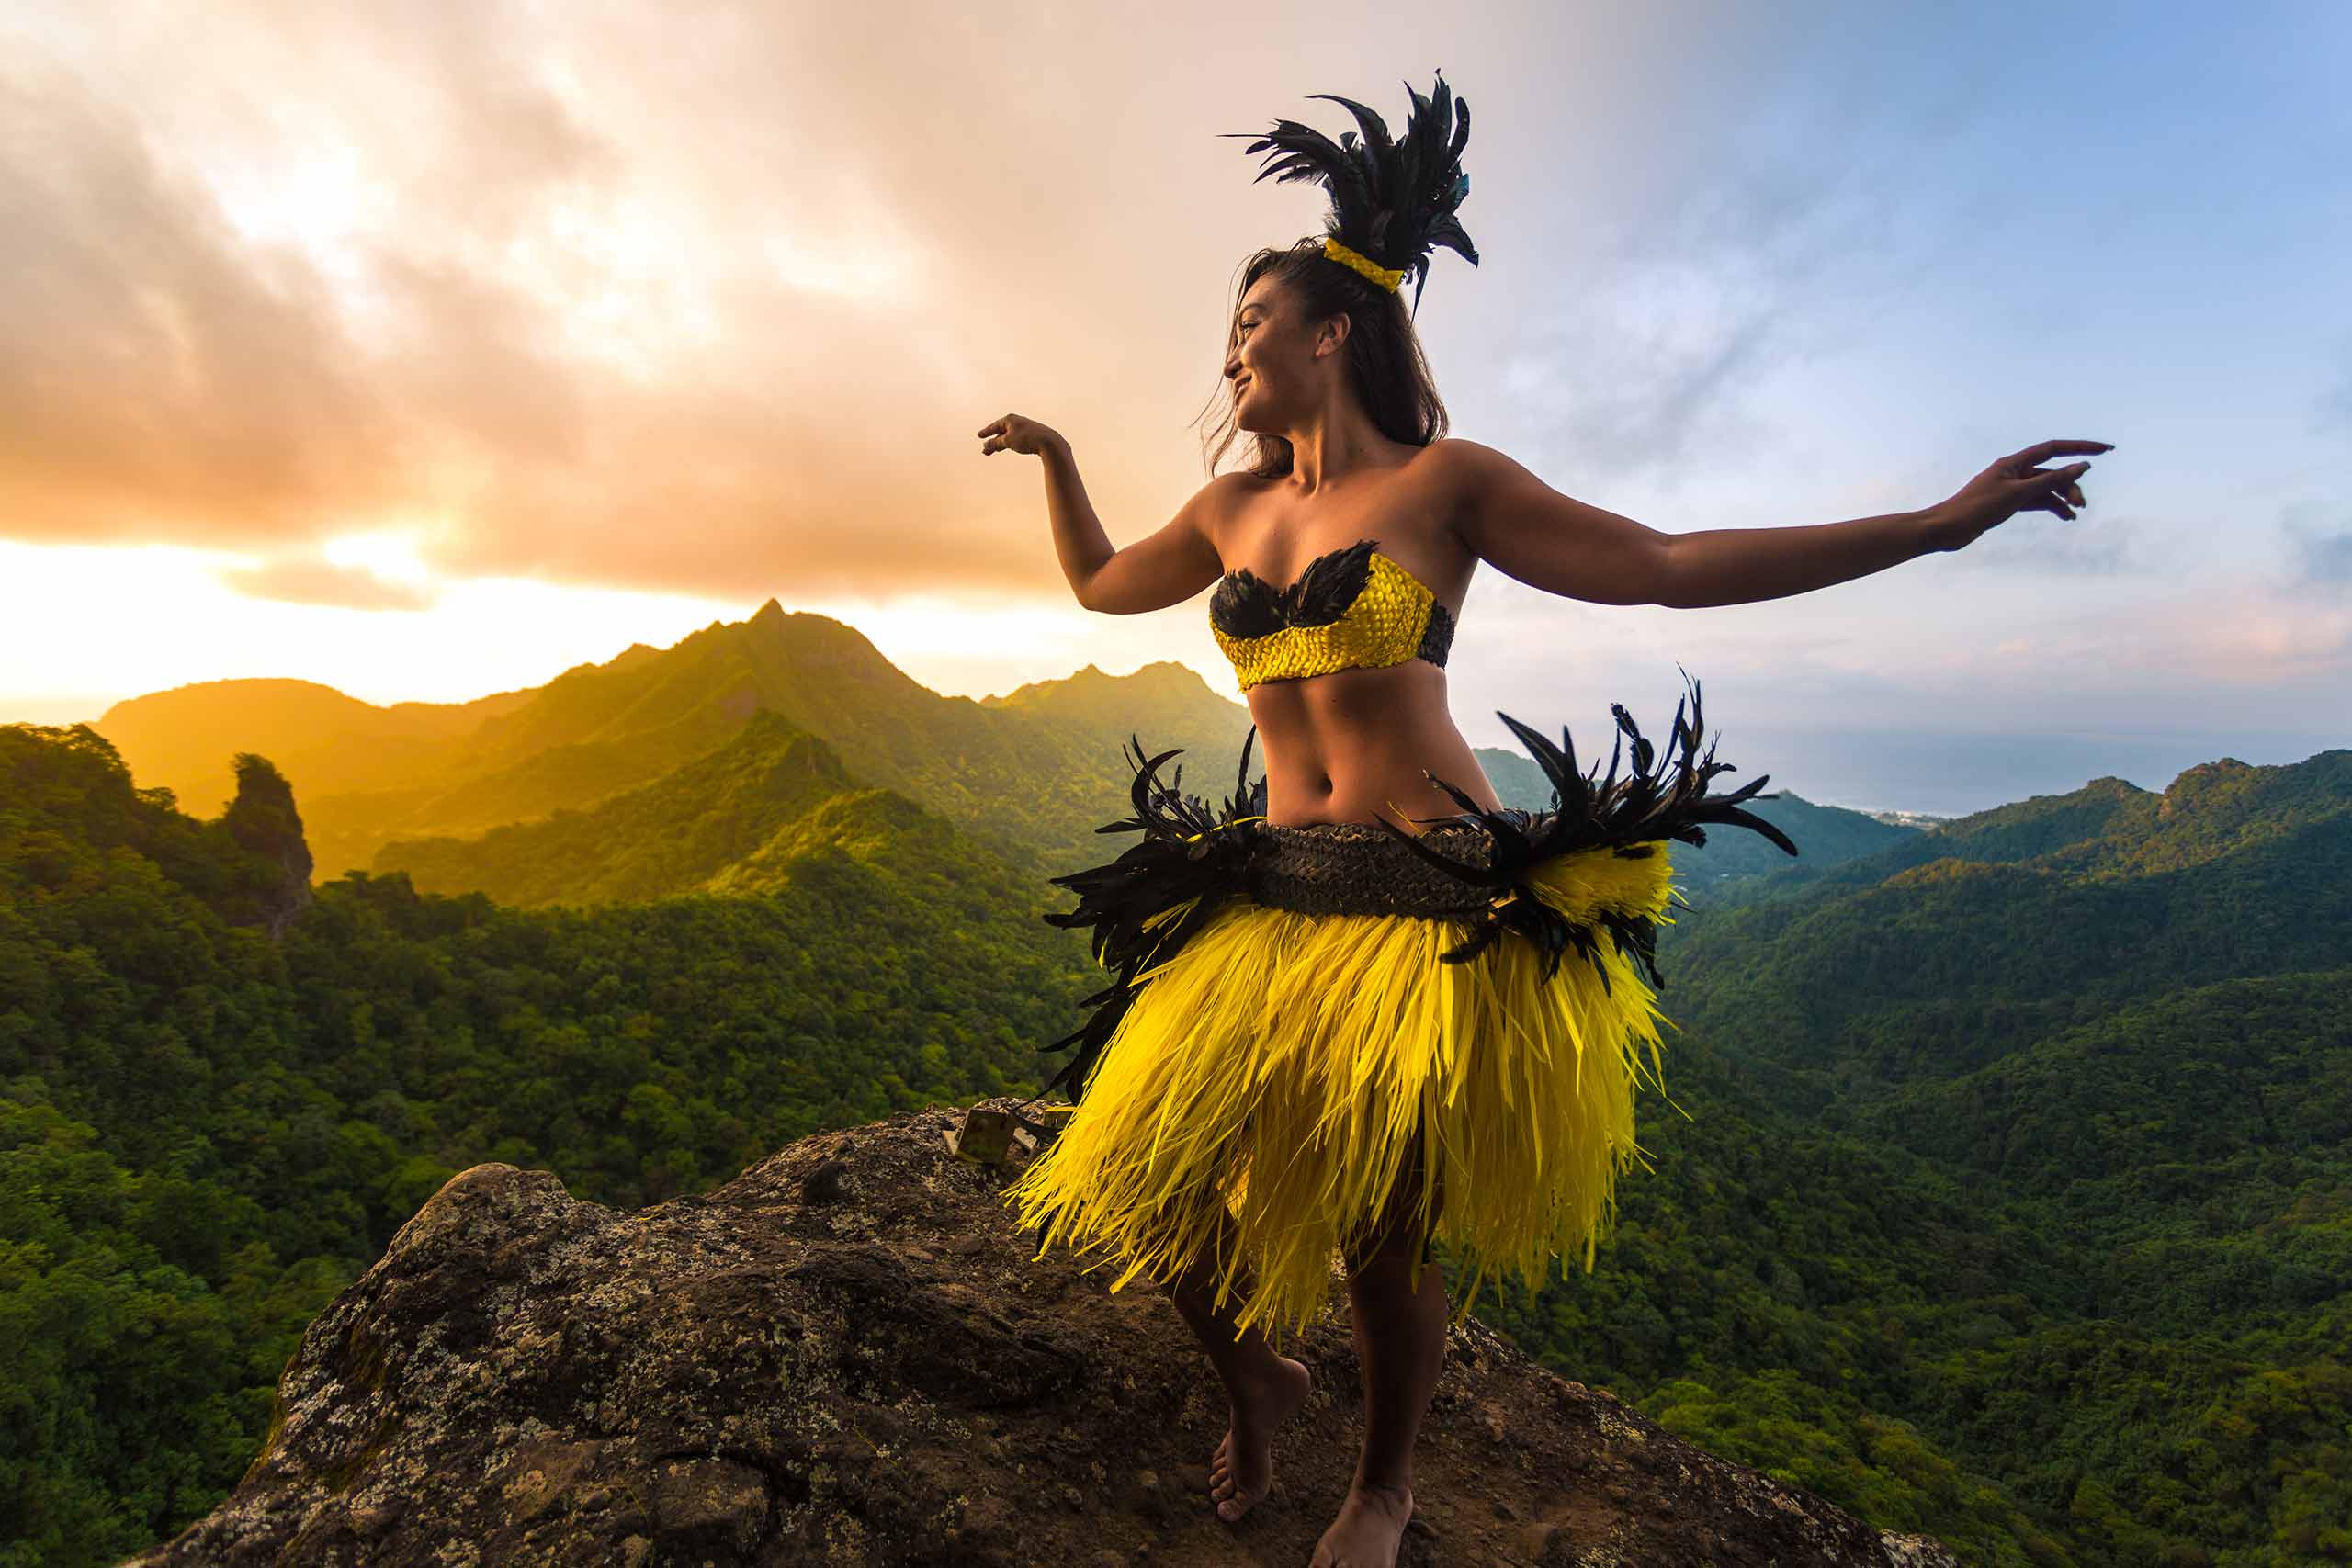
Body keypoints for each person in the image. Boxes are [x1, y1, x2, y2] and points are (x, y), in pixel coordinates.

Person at [976, 72, 2107, 1568]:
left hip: (1424, 900)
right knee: (1157, 1183)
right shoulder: (1228, 510)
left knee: (1384, 1232)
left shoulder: (1447, 482)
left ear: (1332, 332)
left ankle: (1383, 1485)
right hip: (1274, 892)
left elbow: (1665, 565)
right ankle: (1260, 1380)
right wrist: (1060, 463)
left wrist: (1935, 527)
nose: (1230, 350)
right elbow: (1097, 585)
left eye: (1251, 321)